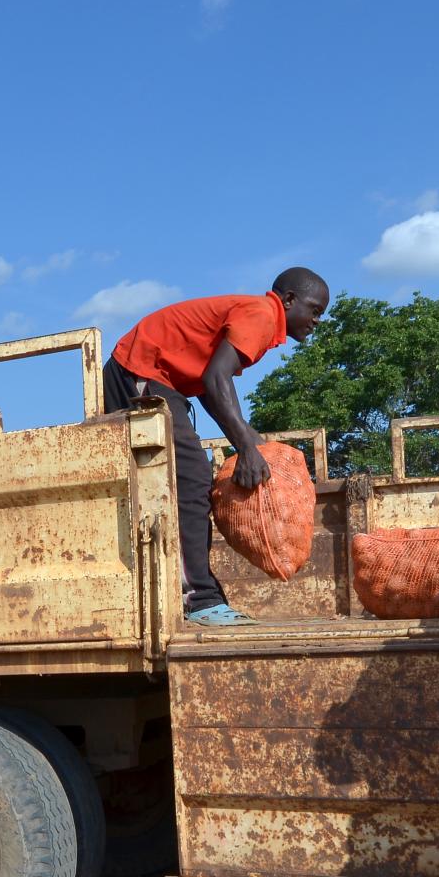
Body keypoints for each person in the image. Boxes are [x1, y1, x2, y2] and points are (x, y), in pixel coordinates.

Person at [101, 268, 329, 626]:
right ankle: (198, 600)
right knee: (191, 477)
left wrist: (248, 439)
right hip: (141, 367)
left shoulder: (260, 318)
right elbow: (215, 379)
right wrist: (246, 446)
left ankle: (190, 593)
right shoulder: (263, 316)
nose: (317, 321)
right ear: (287, 300)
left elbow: (211, 385)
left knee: (176, 480)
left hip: (155, 375)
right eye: (315, 310)